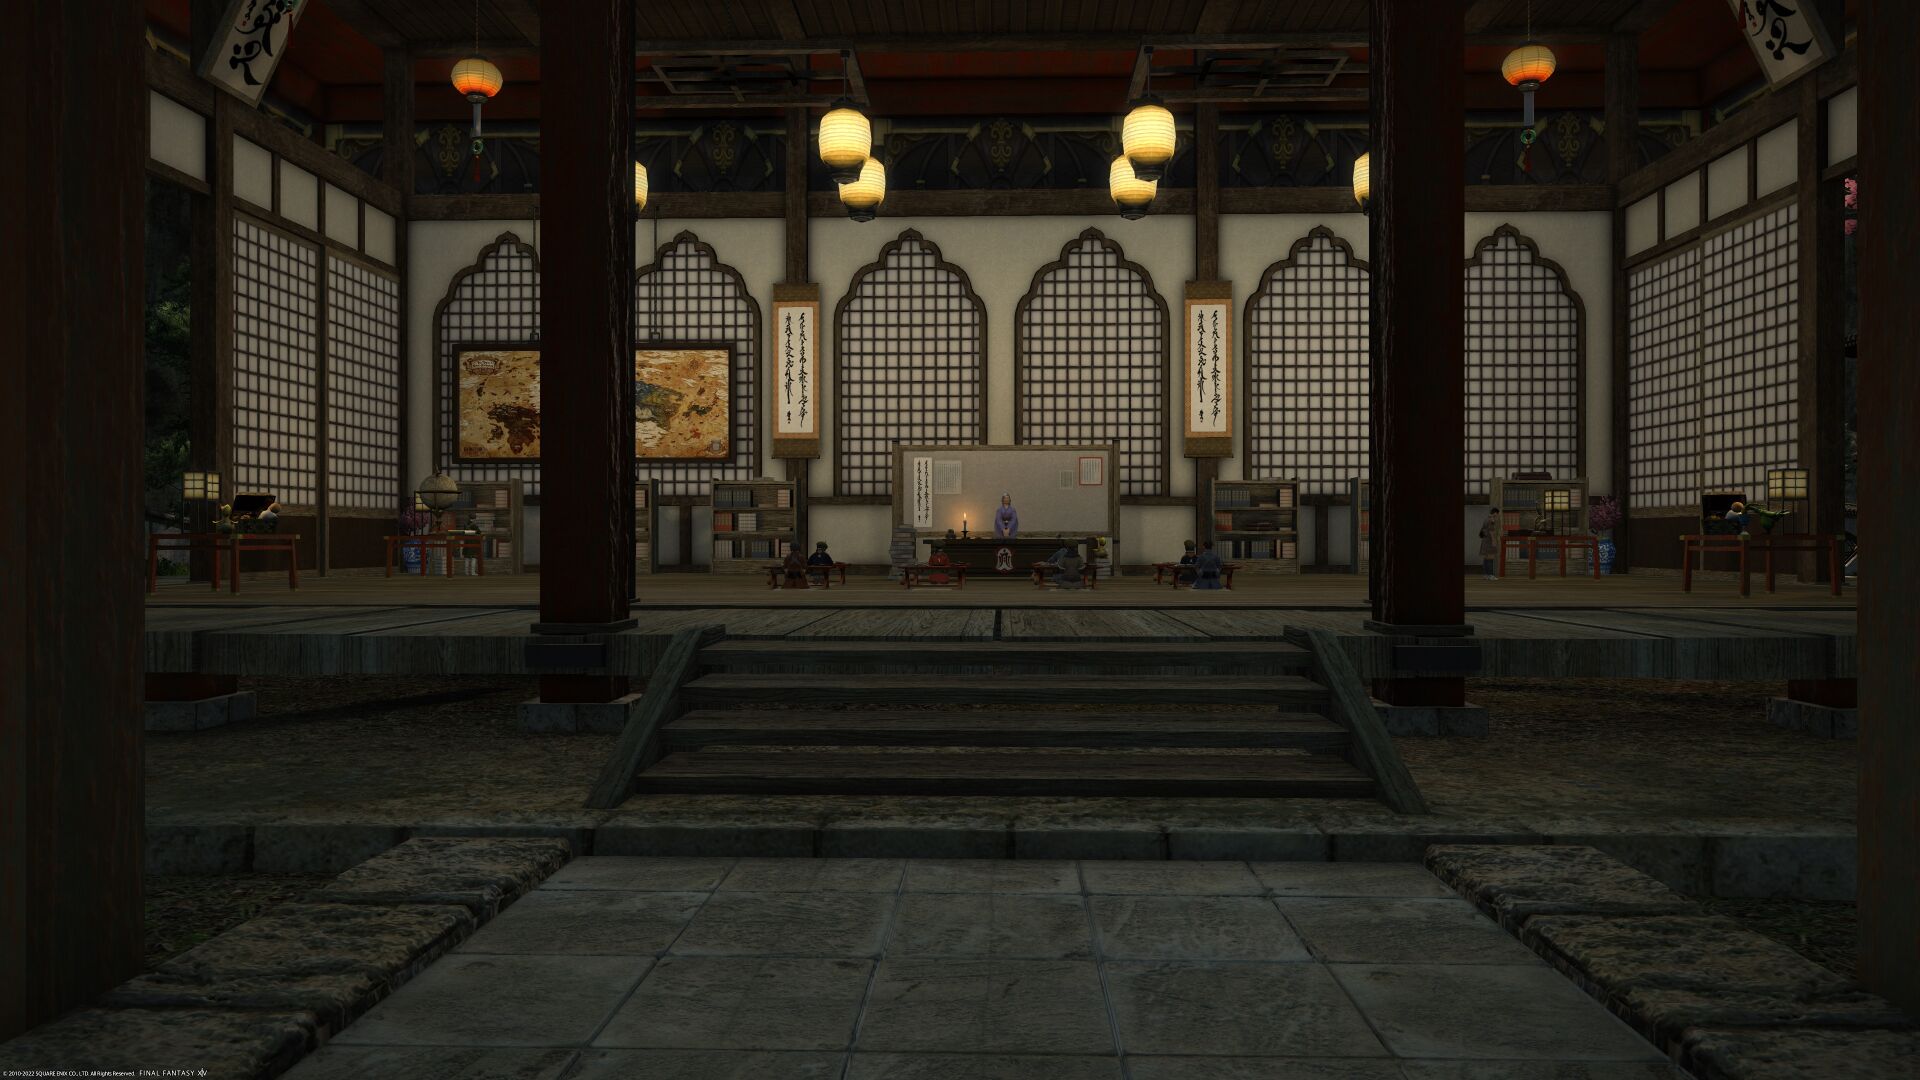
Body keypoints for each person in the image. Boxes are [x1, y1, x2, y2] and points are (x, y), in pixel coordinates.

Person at [1479, 507, 1501, 581]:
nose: (1497, 517)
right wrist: (1494, 541)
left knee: (1486, 558)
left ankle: (1486, 575)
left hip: (1485, 540)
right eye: (1497, 515)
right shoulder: (1491, 520)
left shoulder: (1486, 519)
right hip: (1489, 541)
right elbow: (1491, 531)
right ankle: (1491, 575)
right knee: (1491, 558)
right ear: (1495, 513)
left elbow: (1482, 530)